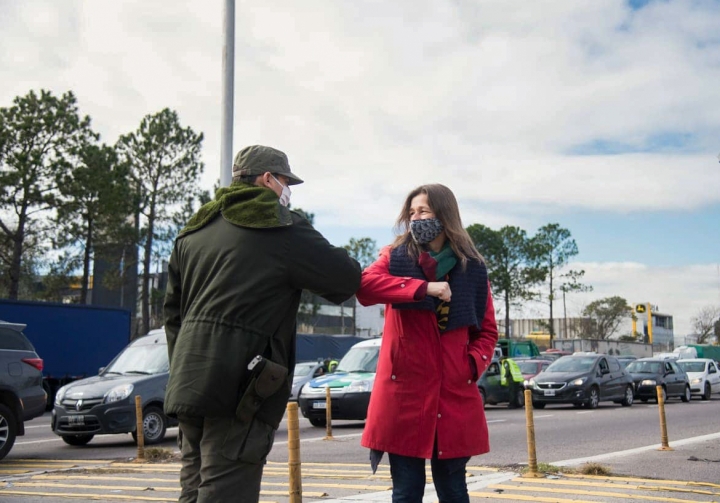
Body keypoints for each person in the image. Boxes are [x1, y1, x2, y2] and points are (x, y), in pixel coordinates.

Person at [163, 145, 362, 503]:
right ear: (268, 179)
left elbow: (172, 316)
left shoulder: (193, 231)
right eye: (286, 182)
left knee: (192, 491)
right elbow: (346, 278)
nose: (288, 192)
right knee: (226, 492)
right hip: (240, 388)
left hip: (187, 383)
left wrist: (186, 365)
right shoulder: (281, 227)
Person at [356, 183, 499, 503]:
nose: (416, 218)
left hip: (452, 394)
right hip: (403, 396)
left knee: (454, 490)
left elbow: (487, 331)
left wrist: (471, 364)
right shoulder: (395, 257)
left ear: (444, 216)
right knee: (406, 492)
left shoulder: (472, 267)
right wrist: (425, 288)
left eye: (423, 211)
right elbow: (365, 287)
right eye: (411, 213)